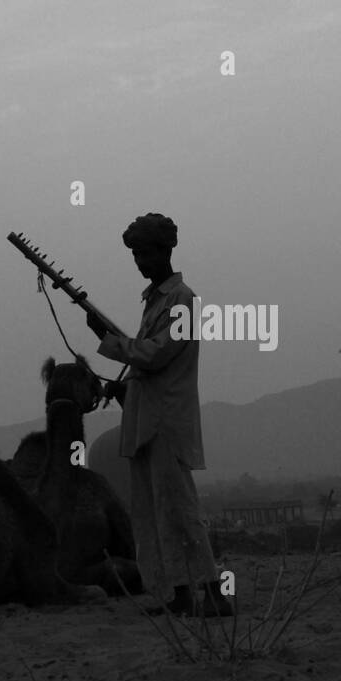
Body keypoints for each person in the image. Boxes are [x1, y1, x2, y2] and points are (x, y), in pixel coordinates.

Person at [84, 213, 232, 617]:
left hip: (166, 424)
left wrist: (109, 340)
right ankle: (180, 593)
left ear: (165, 251)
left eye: (145, 252)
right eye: (135, 254)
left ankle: (214, 594)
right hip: (148, 423)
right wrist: (124, 386)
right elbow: (148, 368)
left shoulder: (182, 300)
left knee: (180, 510)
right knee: (154, 513)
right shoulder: (156, 301)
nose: (139, 261)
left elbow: (157, 354)